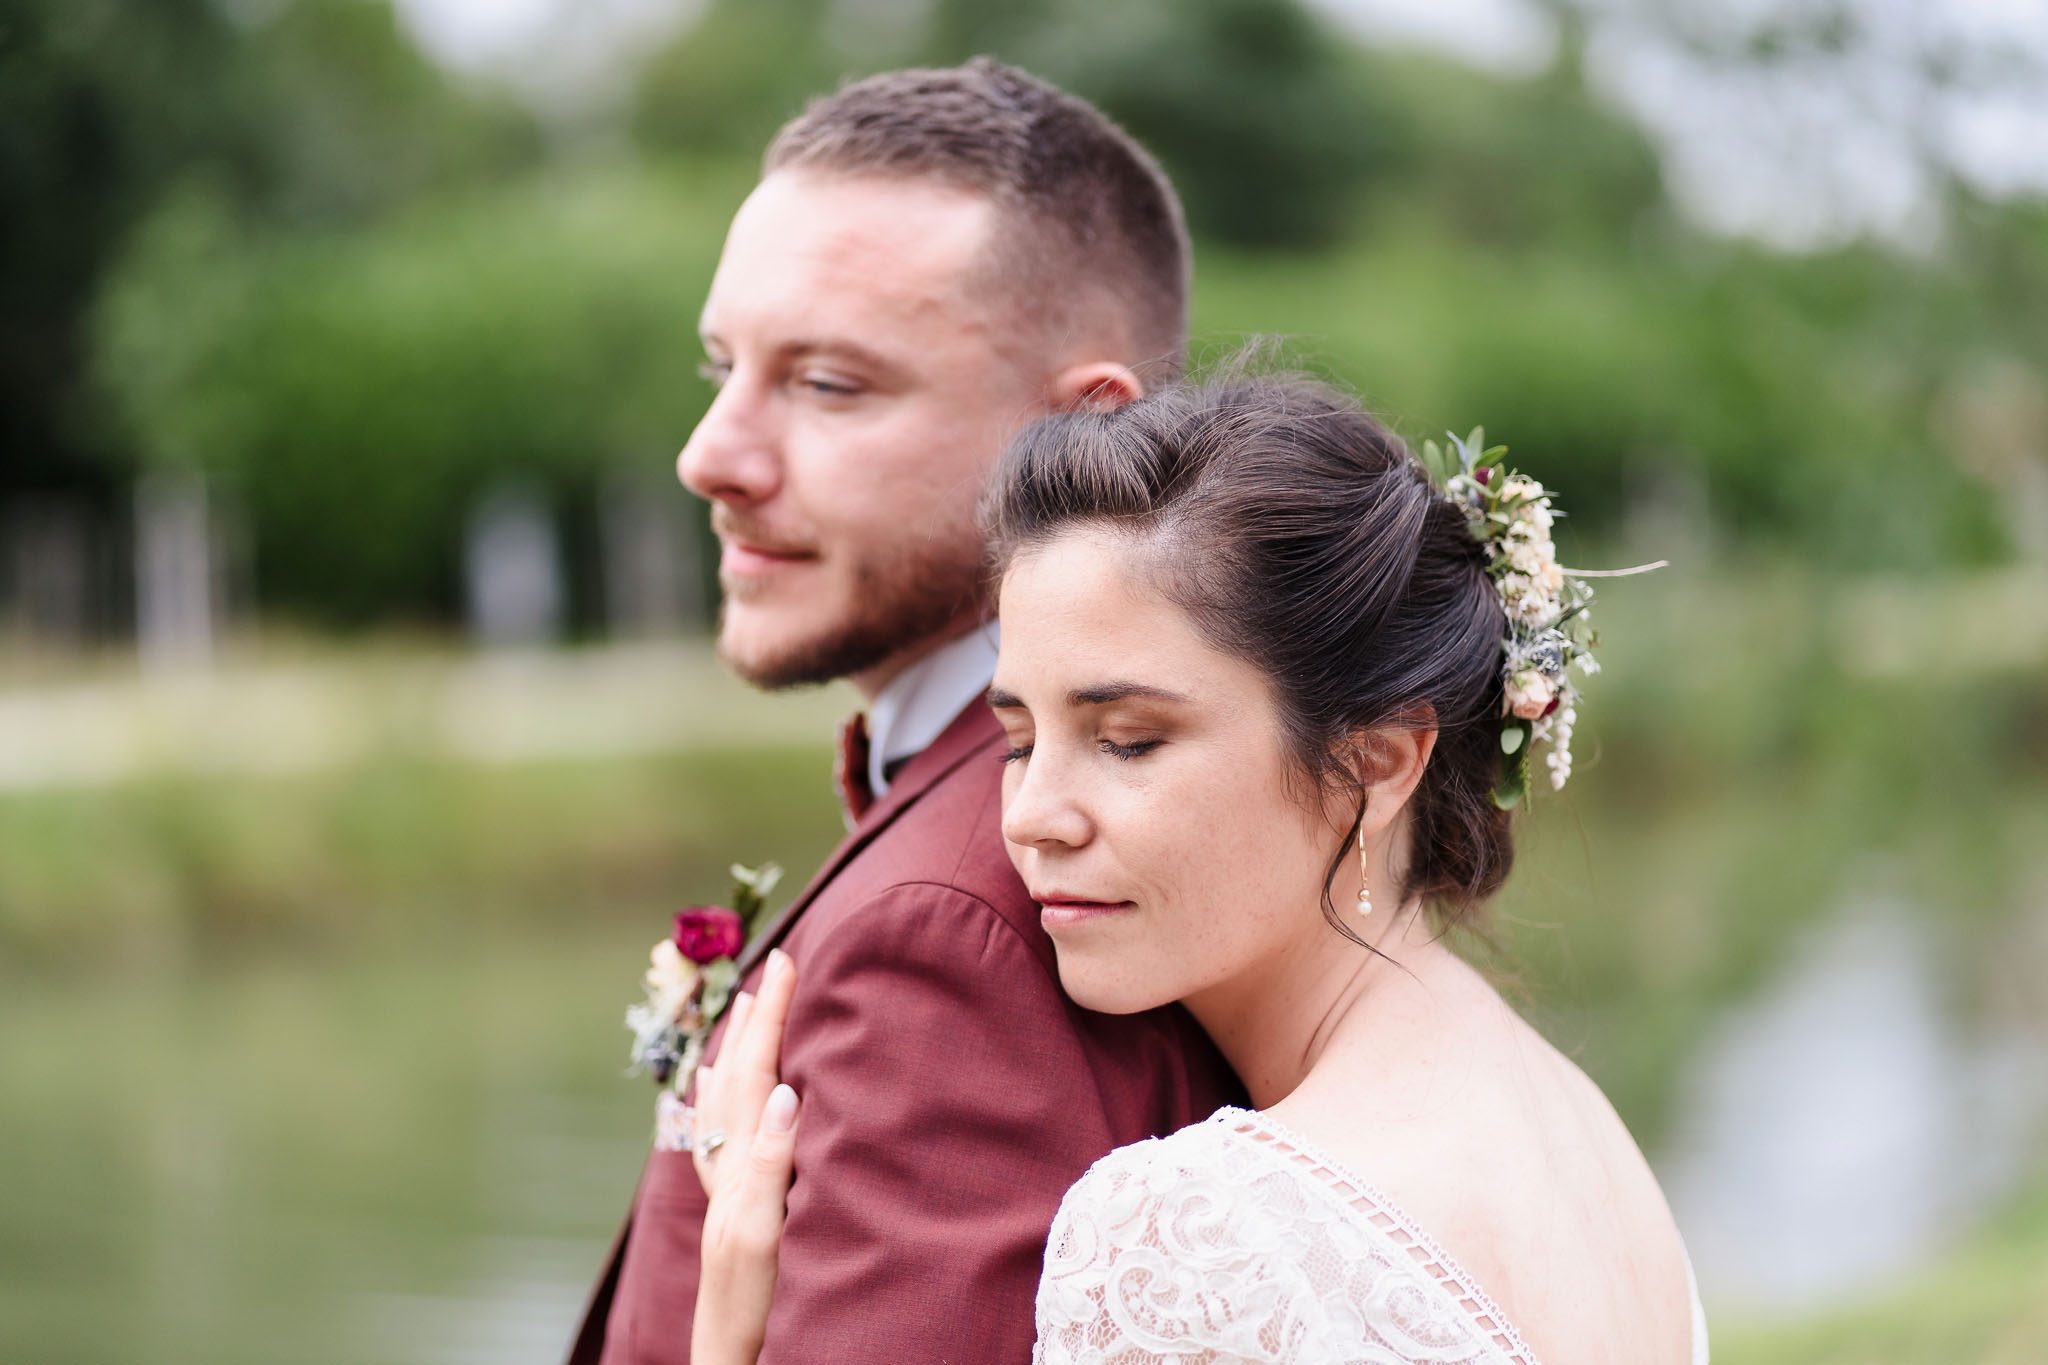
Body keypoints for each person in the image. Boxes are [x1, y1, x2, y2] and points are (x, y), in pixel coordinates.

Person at [686, 373, 1710, 1363]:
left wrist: (730, 1327)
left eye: (1126, 740)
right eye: (1014, 742)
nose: (1032, 818)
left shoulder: (1191, 1232)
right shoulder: (1587, 1137)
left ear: (1376, 762)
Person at [565, 60, 1243, 1365]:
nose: (710, 453)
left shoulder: (961, 928)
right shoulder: (1080, 815)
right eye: (721, 366)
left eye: (829, 384)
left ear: (1086, 437)